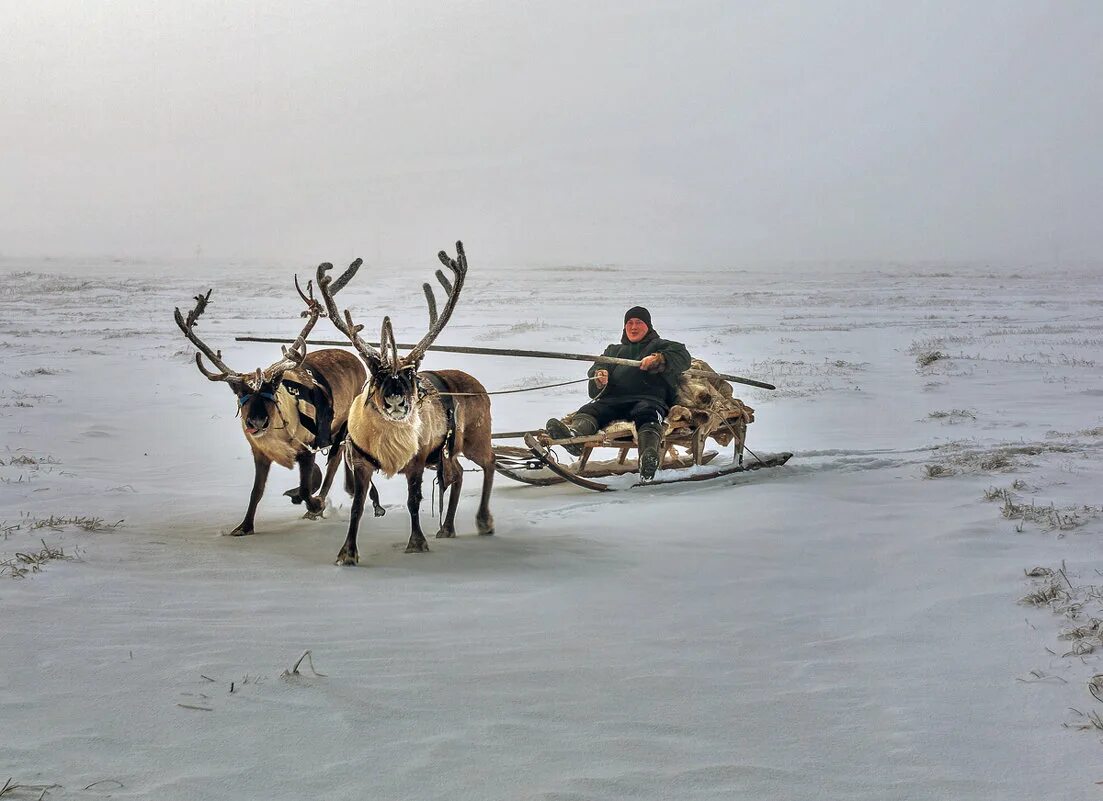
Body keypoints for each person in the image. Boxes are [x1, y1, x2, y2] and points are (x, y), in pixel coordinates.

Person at [545, 306, 691, 480]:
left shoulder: (661, 345)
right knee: (589, 410)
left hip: (648, 399)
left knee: (648, 413)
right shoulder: (613, 350)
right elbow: (597, 369)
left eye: (639, 322)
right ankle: (575, 439)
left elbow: (683, 357)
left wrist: (659, 358)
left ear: (648, 326)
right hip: (613, 401)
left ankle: (648, 456)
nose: (633, 327)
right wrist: (599, 376)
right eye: (629, 323)